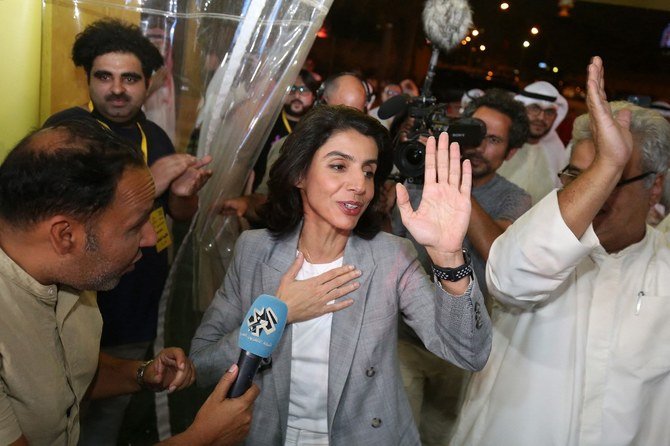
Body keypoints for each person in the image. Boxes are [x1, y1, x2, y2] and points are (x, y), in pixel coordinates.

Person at [190, 105, 491, 445]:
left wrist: (449, 258)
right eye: (338, 166)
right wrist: (277, 313)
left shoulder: (390, 256)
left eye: (368, 172)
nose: (359, 185)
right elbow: (202, 364)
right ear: (299, 174)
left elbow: (469, 353)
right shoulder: (254, 251)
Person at [451, 57, 670, 445]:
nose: (592, 193)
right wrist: (607, 166)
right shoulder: (540, 239)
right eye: (579, 176)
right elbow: (508, 276)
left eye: (613, 177)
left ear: (654, 187)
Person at [0, 120, 257, 446]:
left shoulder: (71, 271)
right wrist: (201, 439)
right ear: (66, 235)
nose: (150, 238)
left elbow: (59, 370)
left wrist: (139, 373)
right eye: (135, 227)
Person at [42, 18, 213, 444]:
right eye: (104, 76)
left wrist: (186, 194)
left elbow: (176, 214)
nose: (117, 89)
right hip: (77, 307)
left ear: (148, 83)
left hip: (136, 308)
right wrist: (151, 181)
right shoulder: (64, 133)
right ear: (88, 78)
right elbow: (56, 221)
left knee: (108, 421)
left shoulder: (152, 134)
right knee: (61, 419)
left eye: (129, 78)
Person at [391, 89, 531, 444]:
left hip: (462, 344)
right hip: (402, 337)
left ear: (511, 152)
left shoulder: (515, 198)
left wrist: (453, 186)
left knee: (440, 436)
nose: (478, 146)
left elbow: (497, 249)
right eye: (473, 133)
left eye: (493, 140)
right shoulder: (419, 172)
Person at [220, 72, 369, 225]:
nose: (350, 124)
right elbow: (266, 198)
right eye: (342, 113)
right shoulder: (293, 146)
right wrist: (247, 204)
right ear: (321, 104)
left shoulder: (371, 152)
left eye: (357, 115)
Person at [496, 80, 568, 204]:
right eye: (534, 108)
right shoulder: (498, 144)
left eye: (549, 112)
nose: (541, 117)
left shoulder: (557, 152)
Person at [251, 69, 319, 191]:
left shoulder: (316, 128)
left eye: (304, 90)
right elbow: (251, 166)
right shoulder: (267, 123)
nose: (297, 95)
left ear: (313, 96)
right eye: (292, 89)